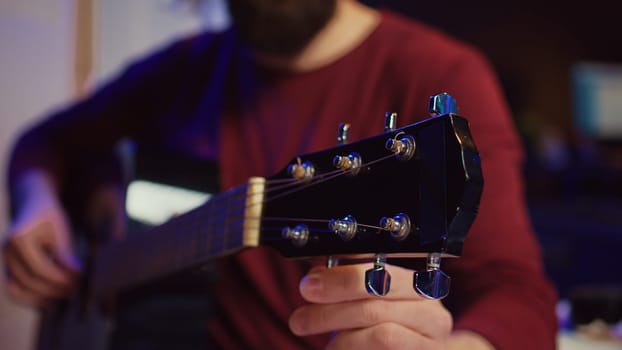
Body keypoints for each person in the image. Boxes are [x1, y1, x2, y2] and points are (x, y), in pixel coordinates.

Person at [2, 0, 558, 349]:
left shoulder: (436, 73)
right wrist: (38, 202)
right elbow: (44, 142)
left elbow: (520, 297)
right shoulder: (189, 66)